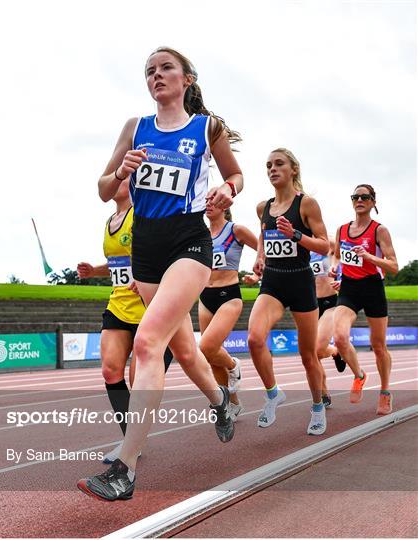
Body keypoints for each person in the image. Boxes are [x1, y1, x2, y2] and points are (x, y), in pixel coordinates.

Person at [77, 47, 243, 501]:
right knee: (186, 350)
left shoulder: (205, 128)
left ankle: (124, 469)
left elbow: (236, 175)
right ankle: (221, 400)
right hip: (145, 248)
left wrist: (226, 190)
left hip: (188, 240)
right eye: (149, 71)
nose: (157, 75)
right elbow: (102, 188)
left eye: (165, 67)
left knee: (148, 343)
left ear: (187, 78)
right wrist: (120, 173)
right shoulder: (136, 128)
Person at [77, 178, 173, 464]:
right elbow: (120, 264)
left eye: (124, 178)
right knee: (110, 371)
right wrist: (95, 271)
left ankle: (133, 442)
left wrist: (147, 276)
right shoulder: (110, 222)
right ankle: (131, 442)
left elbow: (168, 255)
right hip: (118, 305)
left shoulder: (143, 214)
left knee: (139, 382)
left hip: (150, 308)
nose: (116, 182)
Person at [247, 148, 329, 436]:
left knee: (308, 356)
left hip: (300, 282)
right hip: (273, 282)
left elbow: (324, 245)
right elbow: (263, 234)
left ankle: (318, 406)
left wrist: (295, 234)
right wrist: (259, 256)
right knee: (255, 339)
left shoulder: (306, 204)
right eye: (268, 165)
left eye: (279, 164)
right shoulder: (263, 207)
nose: (272, 169)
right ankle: (272, 394)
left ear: (293, 169)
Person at [330, 184, 398, 415]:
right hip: (349, 288)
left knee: (378, 346)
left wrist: (369, 257)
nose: (360, 200)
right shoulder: (341, 230)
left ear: (372, 202)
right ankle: (359, 375)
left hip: (372, 288)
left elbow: (393, 266)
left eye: (365, 197)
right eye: (356, 197)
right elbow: (337, 257)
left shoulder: (379, 230)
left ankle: (385, 391)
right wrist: (334, 269)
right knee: (339, 337)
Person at [199, 204, 258, 420]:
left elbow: (263, 247)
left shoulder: (236, 230)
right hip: (205, 297)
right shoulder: (200, 233)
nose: (209, 204)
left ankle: (234, 365)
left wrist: (258, 271)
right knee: (211, 357)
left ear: (225, 205)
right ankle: (231, 404)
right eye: (206, 200)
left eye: (214, 200)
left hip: (229, 295)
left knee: (206, 346)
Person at [310, 239, 345, 409]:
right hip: (310, 305)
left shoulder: (329, 244)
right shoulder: (302, 247)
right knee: (312, 354)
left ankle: (335, 351)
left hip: (331, 302)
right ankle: (323, 393)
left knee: (316, 350)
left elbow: (341, 253)